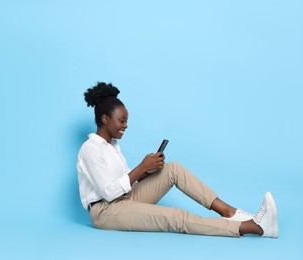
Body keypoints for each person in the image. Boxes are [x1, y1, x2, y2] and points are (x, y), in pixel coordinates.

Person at [76, 82, 278, 238]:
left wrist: (147, 171)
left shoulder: (113, 147)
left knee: (172, 169)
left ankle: (229, 212)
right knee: (176, 217)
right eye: (122, 121)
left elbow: (126, 183)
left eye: (126, 121)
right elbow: (109, 192)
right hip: (105, 211)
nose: (126, 125)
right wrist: (141, 167)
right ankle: (252, 227)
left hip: (125, 199)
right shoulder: (90, 149)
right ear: (105, 119)